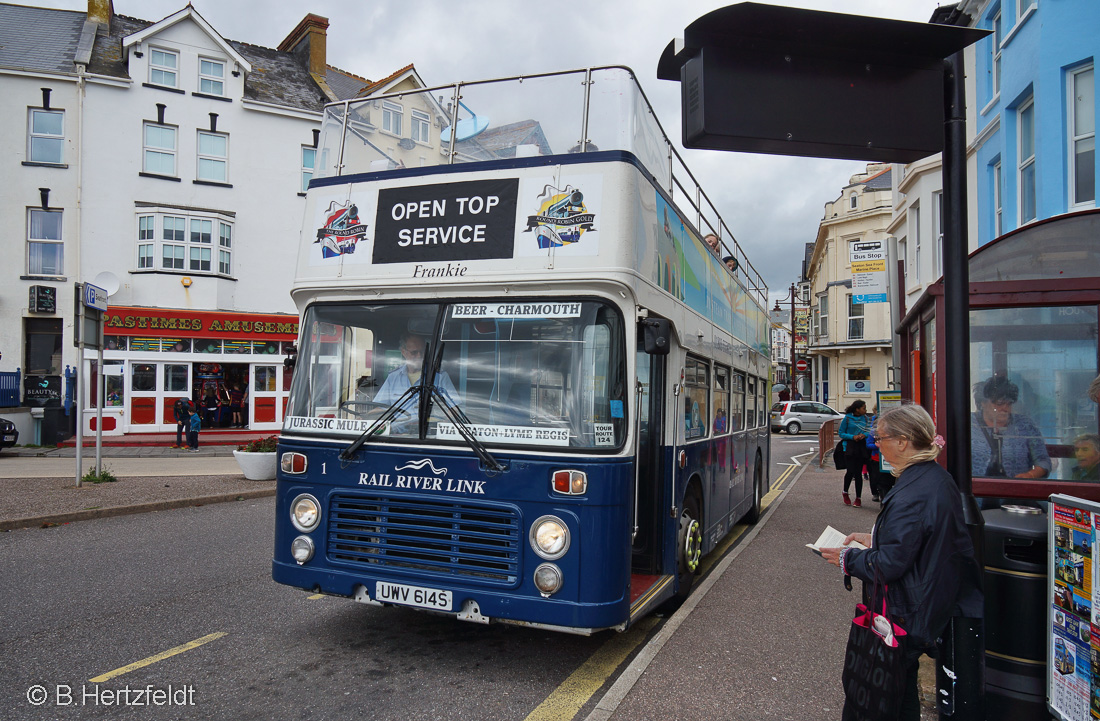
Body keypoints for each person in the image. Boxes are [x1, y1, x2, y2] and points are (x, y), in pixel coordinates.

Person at [821, 404, 983, 721]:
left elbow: (889, 564)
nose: (876, 445)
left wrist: (847, 557)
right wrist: (876, 537)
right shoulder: (934, 478)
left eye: (881, 438)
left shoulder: (913, 492)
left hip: (907, 612)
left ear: (904, 441)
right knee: (902, 687)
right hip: (926, 603)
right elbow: (921, 540)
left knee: (887, 695)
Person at [970, 375, 1050, 479]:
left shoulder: (1024, 425)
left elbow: (1043, 461)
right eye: (999, 404)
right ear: (983, 403)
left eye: (1009, 404)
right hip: (975, 491)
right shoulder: (969, 424)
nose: (1005, 408)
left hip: (1014, 491)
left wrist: (1030, 475)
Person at [373, 333, 459, 422]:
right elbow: (381, 408)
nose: (419, 356)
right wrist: (363, 418)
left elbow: (455, 409)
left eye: (422, 352)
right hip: (397, 433)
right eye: (414, 352)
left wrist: (440, 423)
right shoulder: (393, 377)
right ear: (403, 352)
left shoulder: (440, 377)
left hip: (426, 432)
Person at [838, 399, 871, 506]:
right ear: (857, 409)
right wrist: (853, 437)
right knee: (850, 471)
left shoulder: (865, 418)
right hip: (849, 447)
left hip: (861, 447)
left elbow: (868, 430)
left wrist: (863, 435)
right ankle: (845, 492)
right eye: (863, 408)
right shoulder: (847, 418)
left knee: (858, 473)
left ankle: (858, 498)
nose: (865, 410)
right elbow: (841, 433)